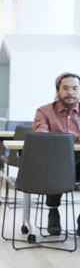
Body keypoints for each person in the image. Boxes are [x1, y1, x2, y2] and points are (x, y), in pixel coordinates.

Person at [32, 72, 80, 235]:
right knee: (55, 166)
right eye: (65, 88)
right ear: (58, 90)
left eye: (75, 88)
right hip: (54, 163)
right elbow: (42, 134)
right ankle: (53, 211)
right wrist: (68, 138)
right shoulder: (44, 111)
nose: (70, 93)